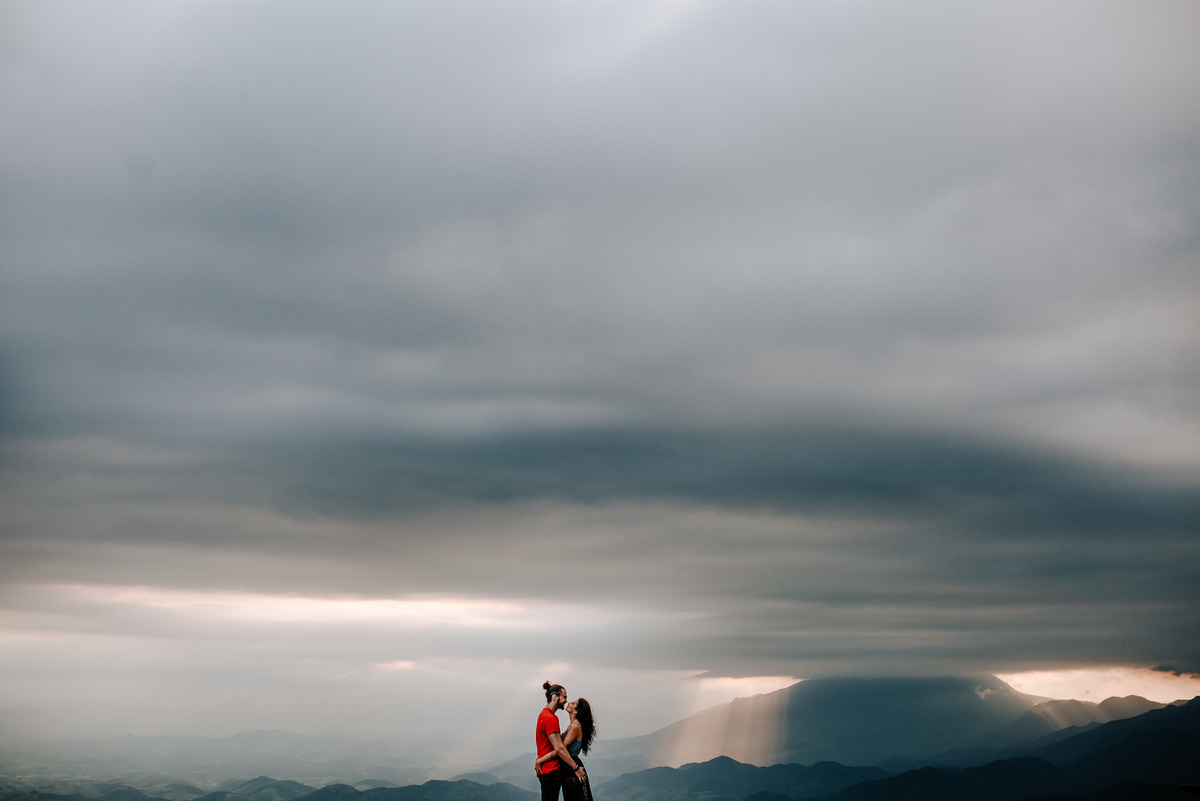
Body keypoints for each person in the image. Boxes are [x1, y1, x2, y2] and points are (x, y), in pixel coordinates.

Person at [535, 682, 587, 801]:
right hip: (550, 769)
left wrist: (539, 761)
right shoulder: (550, 718)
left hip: (547, 768)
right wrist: (576, 768)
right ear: (554, 697)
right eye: (564, 697)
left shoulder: (545, 715)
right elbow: (559, 748)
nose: (565, 700)